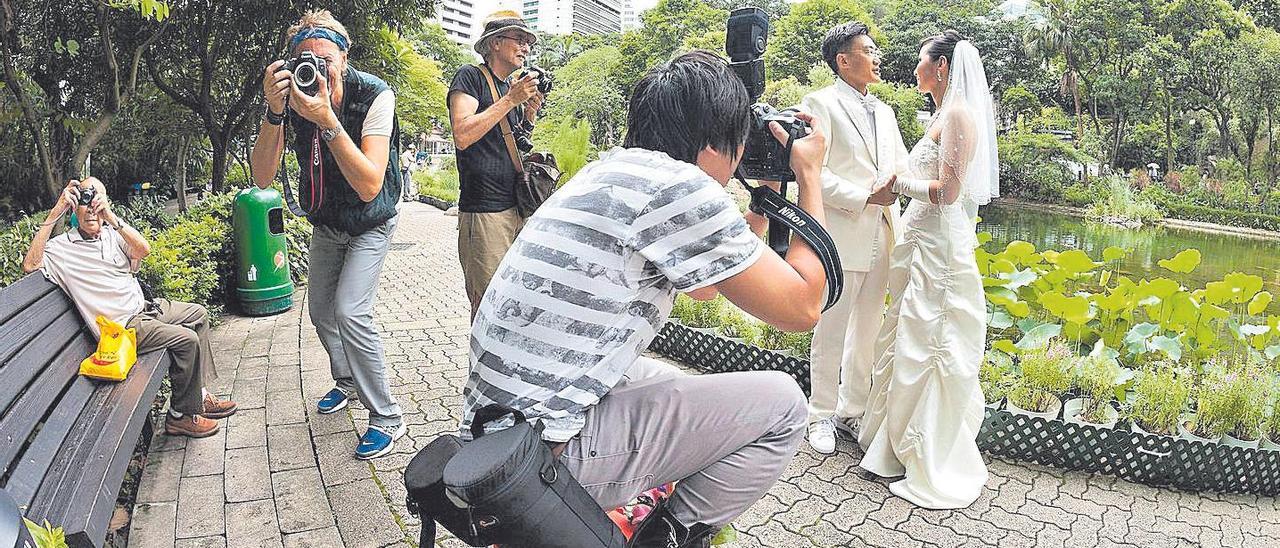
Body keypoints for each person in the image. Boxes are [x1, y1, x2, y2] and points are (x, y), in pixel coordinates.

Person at [458, 51, 829, 548]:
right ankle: (662, 537)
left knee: (673, 382)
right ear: (714, 140)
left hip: (495, 435)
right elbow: (803, 307)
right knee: (783, 405)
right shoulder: (682, 188)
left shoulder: (611, 171)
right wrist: (809, 178)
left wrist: (763, 201)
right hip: (542, 462)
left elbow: (704, 284)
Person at [249, 10, 405, 459]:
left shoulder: (374, 94)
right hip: (329, 224)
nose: (315, 68)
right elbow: (262, 178)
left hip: (372, 219)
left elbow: (369, 183)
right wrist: (274, 112)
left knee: (351, 312)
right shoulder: (292, 102)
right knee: (320, 312)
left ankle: (388, 417)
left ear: (344, 55)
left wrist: (328, 120)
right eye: (304, 59)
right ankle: (347, 381)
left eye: (324, 58)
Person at [857, 30, 998, 509]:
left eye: (921, 60)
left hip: (939, 248)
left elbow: (948, 193)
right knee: (904, 337)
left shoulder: (958, 114)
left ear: (941, 67)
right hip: (920, 245)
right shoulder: (940, 114)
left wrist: (901, 185)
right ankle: (892, 445)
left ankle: (926, 456)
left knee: (930, 342)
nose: (914, 68)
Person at [22, 178, 237, 438]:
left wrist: (110, 217)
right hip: (123, 328)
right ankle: (180, 416)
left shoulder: (114, 234)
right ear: (74, 209)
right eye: (84, 202)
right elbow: (31, 265)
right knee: (187, 340)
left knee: (198, 315)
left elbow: (144, 249)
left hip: (145, 309)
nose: (91, 209)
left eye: (96, 200)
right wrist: (55, 211)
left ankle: (198, 397)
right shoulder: (62, 249)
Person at [795, 22, 908, 454]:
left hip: (885, 230)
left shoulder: (885, 111)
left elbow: (900, 165)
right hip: (843, 231)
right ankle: (819, 414)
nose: (877, 56)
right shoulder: (818, 103)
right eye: (868, 49)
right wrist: (864, 196)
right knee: (831, 326)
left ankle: (852, 409)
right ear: (844, 60)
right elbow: (812, 174)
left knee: (868, 329)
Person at [447, 10, 545, 321]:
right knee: (487, 304)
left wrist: (528, 114)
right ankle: (481, 368)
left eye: (528, 42)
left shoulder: (508, 89)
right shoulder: (471, 76)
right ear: (495, 43)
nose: (526, 47)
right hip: (485, 210)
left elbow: (516, 144)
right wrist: (511, 100)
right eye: (520, 39)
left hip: (515, 207)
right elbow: (462, 134)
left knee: (516, 299)